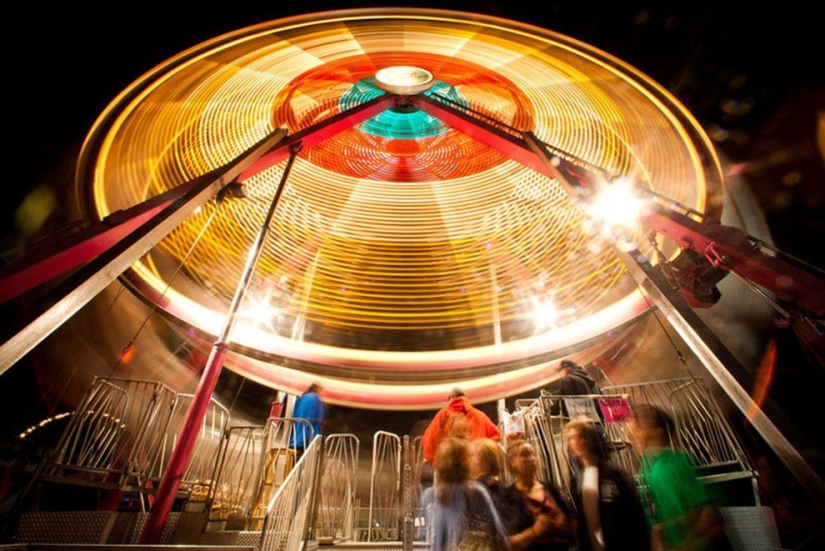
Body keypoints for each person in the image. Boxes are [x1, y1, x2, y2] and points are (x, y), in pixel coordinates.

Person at [628, 403, 732, 551]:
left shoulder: (676, 463)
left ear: (657, 432)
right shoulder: (653, 469)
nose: (631, 437)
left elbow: (710, 513)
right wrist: (661, 529)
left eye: (636, 430)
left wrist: (685, 546)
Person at [565, 420, 650, 551]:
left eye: (580, 437)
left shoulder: (613, 473)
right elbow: (582, 521)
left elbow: (634, 512)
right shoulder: (578, 480)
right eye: (571, 438)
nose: (576, 442)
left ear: (590, 440)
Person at [421, 437, 511, 550]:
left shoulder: (428, 495)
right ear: (464, 463)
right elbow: (498, 531)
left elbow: (427, 534)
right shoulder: (475, 490)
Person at [498, 438, 577, 550]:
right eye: (525, 455)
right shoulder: (508, 497)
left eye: (533, 454)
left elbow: (573, 529)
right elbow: (506, 545)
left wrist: (565, 524)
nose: (531, 458)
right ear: (512, 463)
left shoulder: (550, 488)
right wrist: (534, 532)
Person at [422, 388, 502, 467]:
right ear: (465, 397)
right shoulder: (479, 415)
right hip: (475, 466)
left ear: (452, 397)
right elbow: (496, 436)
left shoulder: (443, 414)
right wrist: (481, 454)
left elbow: (429, 440)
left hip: (447, 466)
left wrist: (433, 461)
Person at [289, 382, 327, 460]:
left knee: (295, 460)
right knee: (306, 461)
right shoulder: (316, 398)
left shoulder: (302, 397)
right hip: (309, 434)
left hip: (297, 434)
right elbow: (319, 417)